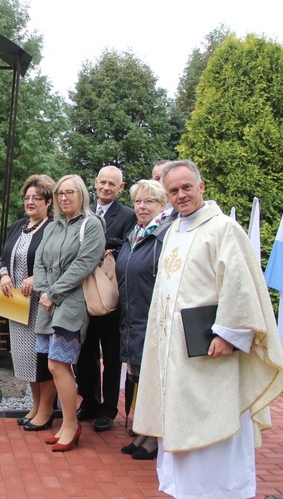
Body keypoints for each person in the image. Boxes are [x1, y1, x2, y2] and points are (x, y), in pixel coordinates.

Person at [133, 160, 283, 498]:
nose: (181, 195)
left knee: (215, 422)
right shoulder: (173, 230)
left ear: (201, 187)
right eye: (173, 190)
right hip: (175, 352)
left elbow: (241, 286)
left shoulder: (223, 228)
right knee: (180, 423)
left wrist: (229, 334)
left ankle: (225, 491)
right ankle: (186, 490)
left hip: (211, 348)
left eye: (187, 187)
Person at [34, 174, 106, 452]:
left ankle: (71, 426)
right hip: (48, 301)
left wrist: (54, 293)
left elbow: (84, 264)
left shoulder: (91, 224)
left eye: (70, 193)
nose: (64, 198)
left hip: (72, 301)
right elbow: (39, 260)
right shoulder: (52, 226)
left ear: (82, 195)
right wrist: (44, 290)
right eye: (60, 193)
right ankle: (66, 423)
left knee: (58, 365)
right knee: (54, 366)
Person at [115, 179, 173, 460]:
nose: (141, 206)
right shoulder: (134, 234)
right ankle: (143, 429)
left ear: (163, 205)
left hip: (153, 318)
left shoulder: (165, 235)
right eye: (138, 201)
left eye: (149, 201)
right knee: (139, 376)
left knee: (154, 379)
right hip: (132, 316)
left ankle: (155, 437)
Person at [76, 165, 136, 432]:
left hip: (110, 296)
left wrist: (103, 245)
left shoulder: (129, 215)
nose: (106, 187)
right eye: (103, 182)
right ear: (95, 183)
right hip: (83, 294)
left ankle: (108, 409)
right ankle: (88, 401)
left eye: (113, 184)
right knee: (84, 353)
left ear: (120, 188)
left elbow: (128, 244)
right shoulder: (84, 213)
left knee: (111, 357)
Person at [0, 174, 56, 431]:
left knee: (41, 358)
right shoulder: (19, 225)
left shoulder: (53, 227)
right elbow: (4, 257)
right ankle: (35, 405)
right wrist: (4, 274)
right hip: (15, 302)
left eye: (37, 198)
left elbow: (56, 263)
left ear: (48, 201)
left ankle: (46, 411)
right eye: (27, 197)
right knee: (24, 358)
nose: (30, 202)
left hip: (39, 304)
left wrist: (36, 276)